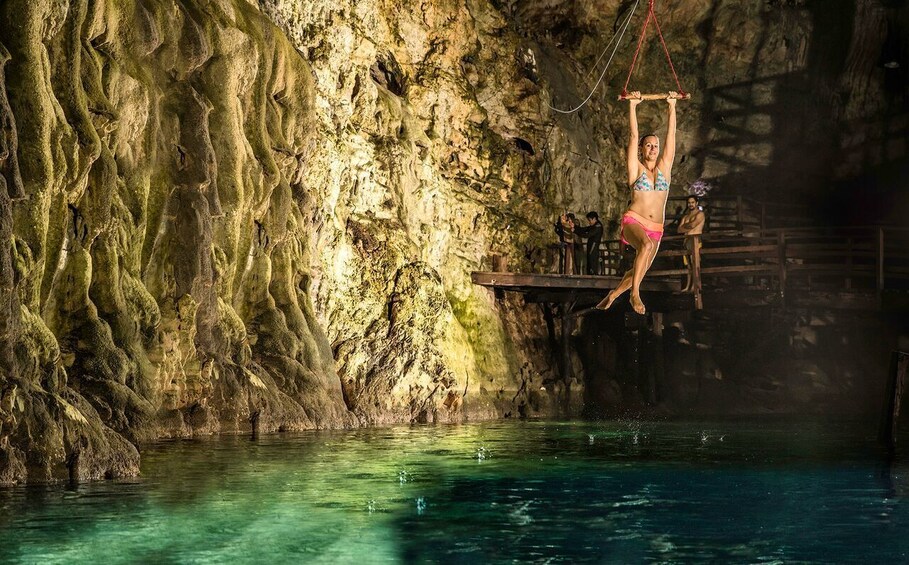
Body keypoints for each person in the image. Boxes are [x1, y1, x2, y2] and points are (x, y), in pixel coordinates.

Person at [596, 91, 679, 314]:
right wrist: (632, 105)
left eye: (655, 146)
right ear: (642, 150)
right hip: (635, 221)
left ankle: (613, 294)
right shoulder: (636, 170)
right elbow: (633, 137)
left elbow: (671, 140)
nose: (653, 149)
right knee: (646, 247)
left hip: (656, 229)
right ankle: (635, 294)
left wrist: (672, 106)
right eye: (649, 146)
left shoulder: (664, 171)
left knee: (638, 271)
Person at [677, 194, 705, 293]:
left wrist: (686, 226)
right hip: (686, 240)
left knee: (695, 263)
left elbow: (694, 225)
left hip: (696, 240)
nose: (691, 204)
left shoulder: (700, 214)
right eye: (689, 203)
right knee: (688, 265)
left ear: (696, 203)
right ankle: (688, 286)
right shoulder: (686, 216)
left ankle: (695, 286)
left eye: (692, 202)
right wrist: (687, 226)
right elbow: (679, 229)